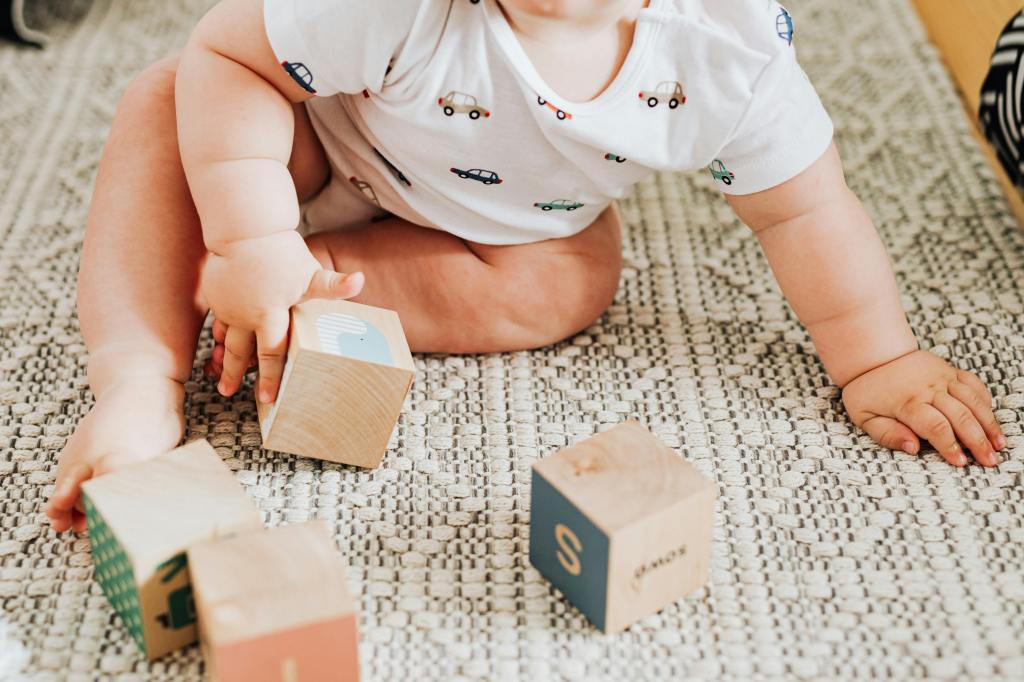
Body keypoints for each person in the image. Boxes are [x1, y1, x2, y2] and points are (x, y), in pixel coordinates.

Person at [47, 0, 1006, 533]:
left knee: (569, 285)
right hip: (300, 139)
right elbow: (230, 54)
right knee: (163, 99)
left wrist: (876, 358)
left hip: (503, 220)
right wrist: (252, 236)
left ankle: (311, 286)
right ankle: (138, 376)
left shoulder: (727, 52)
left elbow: (803, 209)